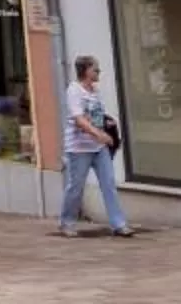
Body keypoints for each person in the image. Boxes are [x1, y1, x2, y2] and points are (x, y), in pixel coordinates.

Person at [60, 54, 134, 238]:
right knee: (75, 187)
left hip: (98, 148)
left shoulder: (95, 90)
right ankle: (67, 222)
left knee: (109, 183)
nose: (99, 72)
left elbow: (95, 116)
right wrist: (99, 134)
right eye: (96, 69)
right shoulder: (74, 90)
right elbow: (79, 120)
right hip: (79, 148)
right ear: (85, 71)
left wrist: (106, 126)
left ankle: (119, 224)